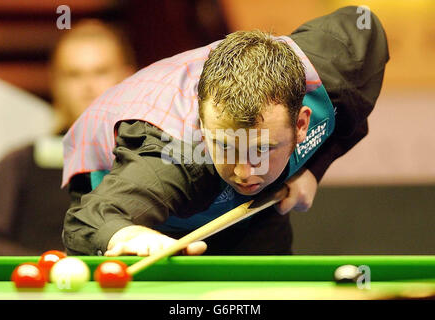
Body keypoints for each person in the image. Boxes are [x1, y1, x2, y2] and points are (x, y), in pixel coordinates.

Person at [62, 6, 389, 256]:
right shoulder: (170, 157)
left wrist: (313, 169)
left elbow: (364, 23)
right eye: (227, 147)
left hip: (245, 206)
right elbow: (86, 220)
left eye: (261, 149)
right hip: (134, 188)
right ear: (204, 126)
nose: (245, 172)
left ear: (302, 123)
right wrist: (130, 235)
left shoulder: (340, 68)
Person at [0, 20, 136, 255]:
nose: (88, 86)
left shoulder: (156, 157)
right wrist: (50, 267)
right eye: (74, 75)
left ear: (129, 77)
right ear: (56, 83)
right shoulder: (21, 164)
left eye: (100, 72)